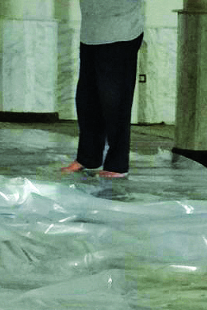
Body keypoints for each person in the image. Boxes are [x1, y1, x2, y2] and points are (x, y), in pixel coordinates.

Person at [61, 0, 145, 178]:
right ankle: (88, 157)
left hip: (121, 31)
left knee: (114, 100)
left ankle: (117, 164)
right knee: (87, 100)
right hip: (91, 31)